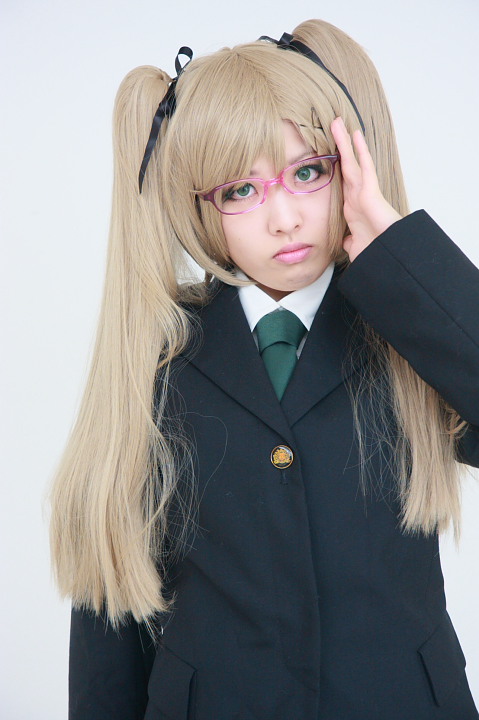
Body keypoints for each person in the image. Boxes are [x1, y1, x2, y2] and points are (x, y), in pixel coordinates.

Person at [49, 18, 479, 720]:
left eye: (307, 173)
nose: (283, 218)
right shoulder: (154, 365)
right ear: (198, 206)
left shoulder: (411, 331)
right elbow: (110, 616)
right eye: (239, 191)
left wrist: (398, 249)